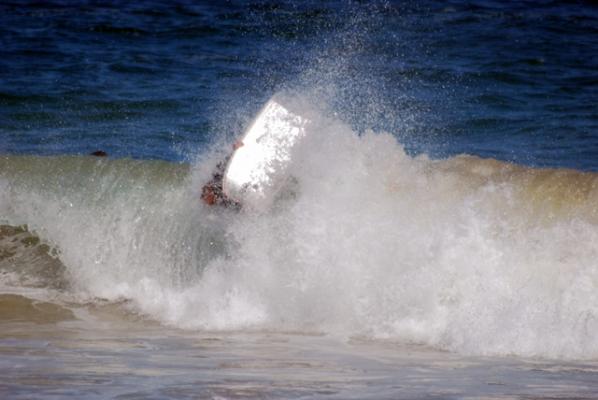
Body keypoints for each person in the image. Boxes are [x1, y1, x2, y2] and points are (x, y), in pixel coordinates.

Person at [201, 141, 244, 207]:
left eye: (205, 196)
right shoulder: (218, 202)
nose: (205, 202)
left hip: (231, 177)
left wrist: (234, 151)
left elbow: (226, 165)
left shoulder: (217, 178)